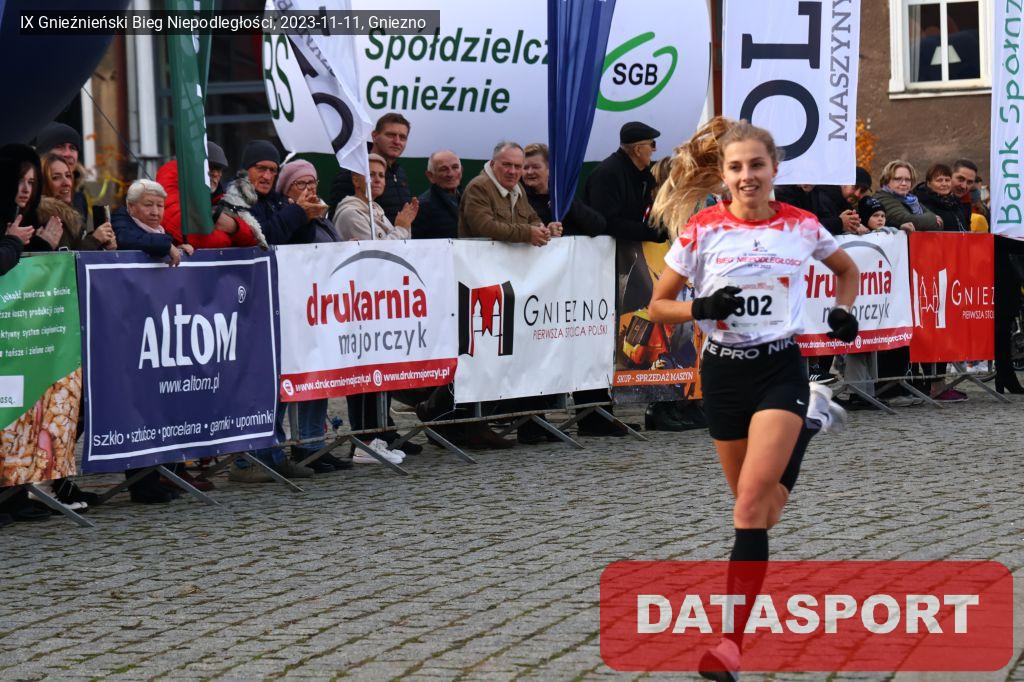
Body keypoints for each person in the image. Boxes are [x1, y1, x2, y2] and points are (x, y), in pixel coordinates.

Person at [647, 118, 859, 680]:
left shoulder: (802, 225)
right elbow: (657, 305)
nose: (747, 176)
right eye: (737, 167)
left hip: (778, 369)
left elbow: (846, 269)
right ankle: (811, 423)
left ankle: (729, 646)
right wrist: (702, 308)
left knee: (746, 510)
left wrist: (843, 310)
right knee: (763, 511)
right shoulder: (702, 230)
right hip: (722, 375)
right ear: (723, 174)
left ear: (774, 169)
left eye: (757, 165)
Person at [274, 159, 353, 473]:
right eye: (300, 184)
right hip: (295, 307)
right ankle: (288, 446)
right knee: (293, 377)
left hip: (322, 308)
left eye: (312, 183)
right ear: (287, 189)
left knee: (318, 374)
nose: (309, 189)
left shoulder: (323, 217)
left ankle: (313, 443)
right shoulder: (287, 215)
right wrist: (302, 215)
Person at [155, 140, 260, 249]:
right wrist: (229, 237)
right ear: (192, 166)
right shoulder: (170, 183)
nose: (216, 174)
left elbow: (254, 238)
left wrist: (234, 226)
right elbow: (191, 234)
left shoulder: (217, 196)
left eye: (219, 170)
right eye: (210, 168)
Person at [459, 141, 561, 244]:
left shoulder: (518, 187)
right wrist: (528, 234)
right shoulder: (478, 187)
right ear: (493, 164)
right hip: (480, 254)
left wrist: (544, 231)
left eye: (518, 166)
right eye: (507, 165)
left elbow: (533, 218)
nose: (512, 171)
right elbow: (484, 227)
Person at [329, 112, 412, 223]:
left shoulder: (400, 172)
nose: (397, 142)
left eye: (402, 137)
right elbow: (338, 219)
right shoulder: (354, 171)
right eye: (391, 135)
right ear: (374, 136)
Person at [521, 142, 605, 235]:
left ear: (550, 169)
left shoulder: (560, 194)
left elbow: (598, 226)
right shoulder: (518, 198)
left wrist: (568, 205)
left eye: (535, 167)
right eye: (525, 168)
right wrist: (547, 231)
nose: (529, 172)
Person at [40, 153, 116, 251]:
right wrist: (94, 240)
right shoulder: (44, 218)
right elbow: (66, 257)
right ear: (42, 183)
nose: (66, 183)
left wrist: (102, 243)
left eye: (68, 176)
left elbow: (76, 246)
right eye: (56, 177)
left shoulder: (70, 213)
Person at [333, 153, 417, 241]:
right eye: (371, 174)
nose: (377, 180)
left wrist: (406, 224)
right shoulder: (350, 214)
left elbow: (403, 246)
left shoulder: (378, 211)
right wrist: (401, 228)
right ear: (356, 180)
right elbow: (376, 249)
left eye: (381, 175)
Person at [34, 122, 89, 221]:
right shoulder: (29, 200)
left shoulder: (79, 197)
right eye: (59, 146)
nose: (67, 153)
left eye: (72, 148)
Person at [873, 160, 942, 232]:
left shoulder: (911, 200)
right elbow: (907, 220)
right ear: (886, 180)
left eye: (908, 180)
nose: (904, 183)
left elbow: (939, 224)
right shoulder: (882, 198)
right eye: (898, 179)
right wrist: (933, 219)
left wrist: (932, 220)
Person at [412, 149, 463, 240]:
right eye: (443, 169)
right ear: (430, 176)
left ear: (461, 171)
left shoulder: (468, 198)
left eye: (455, 167)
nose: (450, 174)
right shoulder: (423, 206)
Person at [914, 163, 967, 232]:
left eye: (947, 180)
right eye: (939, 180)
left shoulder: (956, 203)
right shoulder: (922, 205)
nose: (944, 184)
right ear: (929, 183)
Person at [951, 159, 983, 226]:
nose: (964, 186)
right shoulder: (930, 202)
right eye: (960, 179)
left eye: (969, 182)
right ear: (950, 176)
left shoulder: (967, 203)